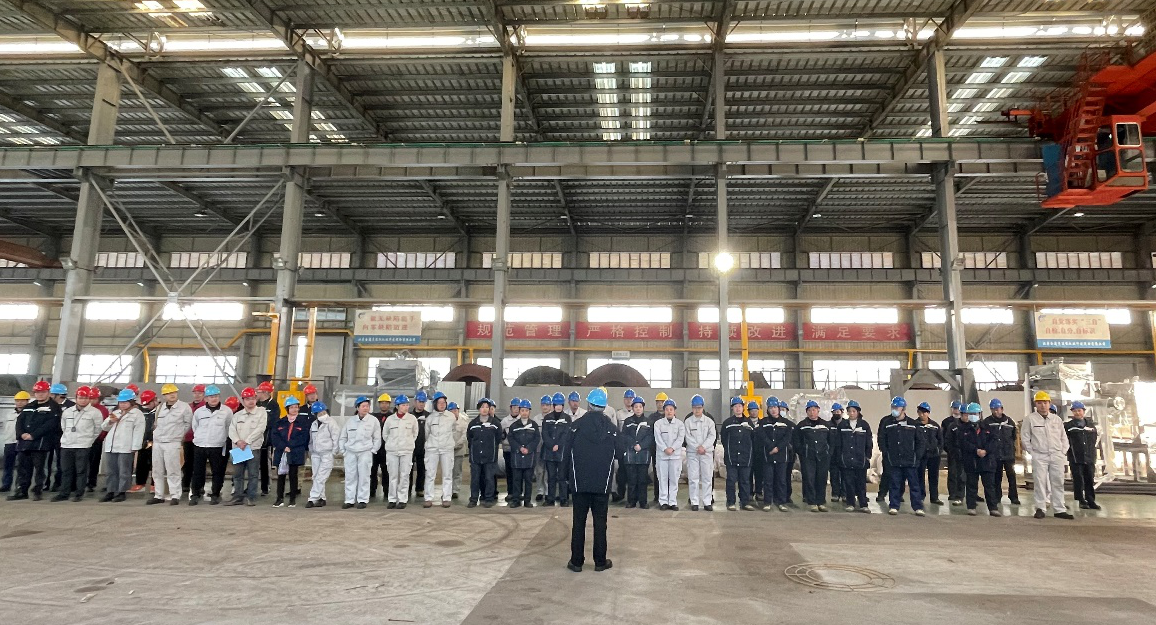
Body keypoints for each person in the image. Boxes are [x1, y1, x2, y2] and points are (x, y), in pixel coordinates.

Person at [566, 388, 619, 573]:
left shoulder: (575, 427)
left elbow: (566, 454)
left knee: (578, 522)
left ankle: (576, 562)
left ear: (588, 405)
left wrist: (567, 479)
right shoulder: (611, 429)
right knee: (600, 524)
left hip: (579, 484)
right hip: (602, 485)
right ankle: (600, 561)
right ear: (604, 407)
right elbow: (619, 453)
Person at [1022, 391, 1074, 520]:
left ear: (1049, 403)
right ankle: (1041, 508)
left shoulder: (1056, 419)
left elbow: (1063, 438)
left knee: (1058, 482)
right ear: (1036, 404)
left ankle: (1059, 509)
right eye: (1040, 403)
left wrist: (1062, 452)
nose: (1043, 405)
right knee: (1040, 482)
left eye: (1045, 402)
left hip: (1056, 455)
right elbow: (1025, 438)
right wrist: (1033, 452)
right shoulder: (1030, 419)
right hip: (1040, 456)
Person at [7, 381, 62, 501]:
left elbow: (51, 424)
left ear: (48, 392)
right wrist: (21, 434)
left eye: (43, 392)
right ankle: (22, 491)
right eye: (37, 392)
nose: (40, 394)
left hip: (41, 443)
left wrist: (33, 435)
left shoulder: (54, 407)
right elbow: (20, 421)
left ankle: (38, 491)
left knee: (40, 469)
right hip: (25, 443)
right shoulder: (29, 406)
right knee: (23, 468)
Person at [55, 386, 104, 502]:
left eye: (85, 398)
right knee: (66, 470)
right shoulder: (67, 412)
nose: (83, 400)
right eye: (80, 398)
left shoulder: (95, 413)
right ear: (76, 398)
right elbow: (63, 427)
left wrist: (89, 441)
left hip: (83, 446)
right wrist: (67, 438)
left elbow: (98, 429)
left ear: (89, 399)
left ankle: (79, 493)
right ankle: (64, 493)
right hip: (67, 445)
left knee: (81, 471)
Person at [881, 396, 926, 516]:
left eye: (897, 407)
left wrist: (917, 457)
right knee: (894, 484)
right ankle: (894, 505)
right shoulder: (887, 424)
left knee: (914, 485)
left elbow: (921, 442)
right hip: (894, 460)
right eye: (893, 407)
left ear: (903, 409)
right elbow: (882, 440)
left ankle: (917, 507)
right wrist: (887, 454)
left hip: (910, 461)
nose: (894, 409)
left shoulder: (913, 424)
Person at [149, 384, 192, 505]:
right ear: (164, 396)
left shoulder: (184, 407)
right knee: (157, 470)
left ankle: (175, 495)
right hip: (158, 442)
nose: (172, 395)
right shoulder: (160, 407)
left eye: (174, 392)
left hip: (173, 442)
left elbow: (188, 424)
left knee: (173, 469)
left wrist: (178, 435)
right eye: (168, 393)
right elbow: (156, 423)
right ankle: (158, 495)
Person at [189, 385, 232, 505]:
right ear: (206, 398)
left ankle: (215, 494)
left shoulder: (226, 411)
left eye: (216, 396)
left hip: (217, 445)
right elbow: (195, 426)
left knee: (218, 471)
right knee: (198, 471)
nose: (214, 399)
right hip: (200, 445)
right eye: (211, 396)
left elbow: (229, 427)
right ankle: (196, 494)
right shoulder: (199, 412)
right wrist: (200, 437)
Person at [100, 389, 145, 503]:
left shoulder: (137, 414)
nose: (122, 404)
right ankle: (111, 491)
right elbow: (104, 427)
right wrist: (111, 421)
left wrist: (135, 447)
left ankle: (121, 492)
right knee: (111, 471)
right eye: (121, 402)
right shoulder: (116, 412)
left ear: (132, 402)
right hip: (111, 446)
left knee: (124, 471)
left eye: (125, 402)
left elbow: (139, 431)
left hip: (126, 446)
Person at [225, 387, 267, 507]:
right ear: (243, 400)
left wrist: (247, 441)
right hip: (239, 448)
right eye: (248, 399)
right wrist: (238, 441)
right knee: (238, 475)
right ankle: (238, 497)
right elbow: (232, 430)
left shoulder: (261, 413)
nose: (251, 401)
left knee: (253, 474)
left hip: (252, 448)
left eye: (253, 398)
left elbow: (260, 429)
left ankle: (251, 497)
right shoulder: (238, 415)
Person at [341, 395, 383, 509]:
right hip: (350, 452)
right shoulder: (350, 421)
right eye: (363, 406)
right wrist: (343, 451)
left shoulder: (373, 421)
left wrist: (373, 450)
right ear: (357, 407)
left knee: (364, 476)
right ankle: (349, 500)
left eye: (367, 406)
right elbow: (343, 437)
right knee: (350, 476)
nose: (366, 408)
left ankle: (362, 499)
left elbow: (377, 438)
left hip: (365, 452)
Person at [958, 402, 1000, 516]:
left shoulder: (988, 427)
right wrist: (976, 450)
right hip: (971, 461)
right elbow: (963, 443)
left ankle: (993, 508)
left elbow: (994, 441)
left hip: (987, 461)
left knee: (990, 486)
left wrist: (986, 451)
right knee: (971, 486)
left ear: (980, 414)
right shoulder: (963, 429)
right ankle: (971, 507)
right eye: (971, 414)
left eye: (975, 413)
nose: (973, 416)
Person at [833, 399, 872, 512]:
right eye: (849, 411)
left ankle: (863, 504)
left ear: (858, 412)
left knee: (861, 483)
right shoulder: (842, 425)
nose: (851, 413)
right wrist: (840, 457)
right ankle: (851, 503)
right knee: (848, 482)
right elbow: (838, 443)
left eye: (854, 411)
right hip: (846, 459)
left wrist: (867, 456)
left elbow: (869, 442)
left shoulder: (864, 425)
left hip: (860, 460)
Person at [271, 395, 310, 508]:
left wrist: (290, 446)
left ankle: (292, 499)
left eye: (296, 407)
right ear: (287, 409)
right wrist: (284, 447)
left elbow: (304, 437)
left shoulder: (302, 422)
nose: (294, 409)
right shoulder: (280, 422)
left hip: (295, 452)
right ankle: (279, 498)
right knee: (281, 476)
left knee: (293, 475)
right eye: (292, 407)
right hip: (282, 452)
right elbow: (275, 436)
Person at [793, 400, 832, 513]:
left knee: (821, 479)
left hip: (823, 456)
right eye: (809, 410)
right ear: (806, 412)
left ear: (818, 410)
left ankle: (821, 502)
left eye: (814, 410)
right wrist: (802, 452)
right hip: (808, 457)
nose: (812, 412)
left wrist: (828, 453)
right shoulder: (802, 426)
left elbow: (831, 441)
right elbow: (796, 441)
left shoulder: (825, 425)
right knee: (809, 479)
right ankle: (812, 502)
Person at [757, 396, 793, 511]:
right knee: (768, 480)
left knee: (781, 480)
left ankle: (781, 502)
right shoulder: (763, 422)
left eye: (775, 407)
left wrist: (777, 448)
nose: (773, 410)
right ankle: (767, 502)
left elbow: (787, 438)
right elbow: (762, 436)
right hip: (768, 455)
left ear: (779, 408)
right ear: (768, 409)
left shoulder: (786, 423)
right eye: (771, 408)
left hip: (782, 456)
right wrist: (771, 447)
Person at [382, 395, 418, 509]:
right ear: (397, 406)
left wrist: (407, 443)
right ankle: (392, 499)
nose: (406, 407)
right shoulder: (390, 419)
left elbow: (415, 434)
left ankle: (402, 499)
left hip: (406, 451)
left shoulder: (412, 419)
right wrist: (391, 444)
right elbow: (385, 434)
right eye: (403, 405)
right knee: (393, 475)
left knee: (404, 475)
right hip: (392, 451)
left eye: (407, 405)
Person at [984, 398, 1020, 505]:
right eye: (993, 409)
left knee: (1011, 476)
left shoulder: (1010, 422)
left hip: (1008, 454)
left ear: (1002, 409)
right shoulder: (987, 422)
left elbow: (1014, 436)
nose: (996, 411)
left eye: (997, 409)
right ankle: (997, 496)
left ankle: (1013, 497)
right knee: (997, 476)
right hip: (995, 454)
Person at [721, 396, 755, 511]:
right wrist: (729, 453)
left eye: (740, 406)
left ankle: (745, 502)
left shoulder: (749, 423)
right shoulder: (727, 423)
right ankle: (731, 502)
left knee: (745, 481)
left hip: (746, 458)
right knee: (731, 480)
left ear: (743, 408)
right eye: (735, 406)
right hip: (732, 458)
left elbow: (753, 439)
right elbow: (724, 439)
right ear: (732, 408)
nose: (738, 408)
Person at [423, 392, 456, 508]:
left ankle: (446, 498)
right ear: (435, 404)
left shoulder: (451, 417)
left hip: (447, 449)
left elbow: (454, 431)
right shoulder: (430, 418)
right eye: (439, 403)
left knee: (447, 474)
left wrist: (449, 442)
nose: (442, 405)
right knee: (430, 474)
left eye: (444, 402)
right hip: (432, 449)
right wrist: (431, 444)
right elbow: (427, 434)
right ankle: (428, 498)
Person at [467, 398, 502, 508]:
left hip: (490, 456)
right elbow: (470, 438)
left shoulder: (495, 423)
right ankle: (473, 499)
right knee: (475, 479)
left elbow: (498, 437)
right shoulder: (473, 423)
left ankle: (489, 498)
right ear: (479, 409)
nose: (485, 409)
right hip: (476, 457)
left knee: (489, 478)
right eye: (482, 407)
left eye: (487, 407)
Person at [683, 394, 716, 512]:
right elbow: (687, 437)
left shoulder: (709, 421)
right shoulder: (688, 422)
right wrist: (698, 447)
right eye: (695, 408)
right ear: (692, 408)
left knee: (707, 477)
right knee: (693, 478)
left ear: (703, 407)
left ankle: (707, 502)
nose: (697, 410)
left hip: (706, 453)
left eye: (699, 407)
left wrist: (704, 447)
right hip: (693, 453)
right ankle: (694, 502)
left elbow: (712, 436)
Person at [1064, 401, 1099, 510]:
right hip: (1075, 457)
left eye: (1079, 410)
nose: (1077, 413)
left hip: (1089, 457)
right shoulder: (1068, 426)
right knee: (1078, 479)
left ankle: (1091, 500)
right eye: (1075, 411)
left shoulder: (1090, 425)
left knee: (1089, 479)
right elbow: (1064, 440)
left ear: (1083, 411)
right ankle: (1081, 500)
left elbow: (1094, 439)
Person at [620, 395, 652, 509]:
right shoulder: (628, 421)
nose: (638, 409)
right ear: (632, 408)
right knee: (631, 479)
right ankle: (631, 501)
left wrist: (641, 446)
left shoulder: (648, 422)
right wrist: (634, 444)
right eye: (636, 407)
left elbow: (650, 437)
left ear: (643, 408)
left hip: (644, 454)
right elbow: (624, 435)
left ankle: (643, 502)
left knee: (642, 480)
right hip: (630, 454)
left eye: (640, 406)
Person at [507, 398, 540, 508]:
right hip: (517, 457)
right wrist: (519, 448)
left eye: (526, 410)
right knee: (516, 480)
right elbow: (511, 439)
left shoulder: (534, 425)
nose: (524, 413)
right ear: (519, 411)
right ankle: (516, 500)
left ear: (529, 412)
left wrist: (529, 449)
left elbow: (536, 439)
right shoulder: (514, 426)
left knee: (528, 480)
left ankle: (527, 500)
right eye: (522, 410)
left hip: (529, 458)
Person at [654, 398, 686, 511]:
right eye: (667, 409)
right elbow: (658, 438)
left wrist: (672, 448)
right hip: (662, 456)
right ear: (664, 411)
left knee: (674, 479)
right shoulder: (658, 424)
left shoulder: (680, 424)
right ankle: (663, 501)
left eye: (671, 409)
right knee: (662, 479)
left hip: (675, 456)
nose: (669, 411)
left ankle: (672, 501)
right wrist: (665, 449)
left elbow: (680, 438)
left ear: (674, 411)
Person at [307, 402, 339, 508]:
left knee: (321, 477)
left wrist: (334, 452)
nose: (322, 415)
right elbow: (311, 440)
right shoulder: (314, 424)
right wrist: (311, 451)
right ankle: (322, 498)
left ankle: (312, 498)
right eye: (320, 414)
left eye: (324, 412)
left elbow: (336, 438)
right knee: (315, 476)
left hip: (327, 454)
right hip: (315, 454)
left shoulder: (331, 423)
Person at [541, 394, 572, 506]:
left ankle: (564, 499)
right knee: (551, 477)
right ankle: (550, 499)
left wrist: (558, 445)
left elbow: (567, 434)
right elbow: (544, 433)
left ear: (563, 406)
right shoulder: (547, 418)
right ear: (553, 405)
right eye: (556, 405)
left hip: (562, 452)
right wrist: (551, 445)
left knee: (562, 477)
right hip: (549, 452)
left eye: (560, 405)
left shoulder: (567, 418)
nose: (558, 407)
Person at [1, 390, 30, 493]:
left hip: (23, 443)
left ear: (27, 401)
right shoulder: (9, 414)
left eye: (22, 400)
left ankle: (19, 486)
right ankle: (6, 485)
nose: (19, 403)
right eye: (17, 400)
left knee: (22, 466)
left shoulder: (29, 414)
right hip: (10, 442)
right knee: (8, 465)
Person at [255, 381, 280, 497]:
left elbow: (272, 422)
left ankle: (265, 486)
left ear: (265, 392)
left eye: (258, 392)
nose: (256, 394)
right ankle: (250, 486)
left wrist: (259, 425)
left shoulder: (273, 405)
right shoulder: (256, 404)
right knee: (251, 464)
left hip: (266, 440)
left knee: (264, 463)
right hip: (253, 439)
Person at [916, 402, 944, 506]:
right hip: (920, 455)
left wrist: (938, 450)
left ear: (928, 413)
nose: (922, 414)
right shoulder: (914, 425)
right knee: (920, 476)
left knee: (934, 476)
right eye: (920, 412)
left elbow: (940, 440)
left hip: (934, 456)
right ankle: (920, 496)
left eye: (924, 412)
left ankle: (934, 497)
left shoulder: (935, 426)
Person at [46, 382, 71, 492]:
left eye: (52, 394)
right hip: (48, 436)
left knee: (62, 462)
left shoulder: (71, 406)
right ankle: (45, 483)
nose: (50, 396)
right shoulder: (47, 405)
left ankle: (58, 483)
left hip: (63, 437)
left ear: (59, 395)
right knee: (47, 462)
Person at [181, 383, 206, 495]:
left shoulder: (206, 407)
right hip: (188, 439)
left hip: (201, 440)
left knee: (200, 464)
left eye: (199, 393)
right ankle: (185, 484)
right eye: (195, 393)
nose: (197, 395)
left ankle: (199, 486)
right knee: (187, 463)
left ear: (204, 394)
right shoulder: (188, 407)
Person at [941, 400, 966, 506]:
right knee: (953, 473)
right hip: (953, 453)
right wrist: (949, 450)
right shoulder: (947, 422)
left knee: (964, 474)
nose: (956, 410)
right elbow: (944, 438)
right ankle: (952, 493)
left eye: (957, 408)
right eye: (954, 408)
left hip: (965, 453)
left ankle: (963, 493)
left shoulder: (968, 423)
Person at [613, 389, 635, 502]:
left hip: (633, 446)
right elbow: (616, 429)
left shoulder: (636, 413)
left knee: (632, 471)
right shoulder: (619, 414)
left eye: (631, 398)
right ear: (624, 400)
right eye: (627, 398)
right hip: (622, 446)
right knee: (621, 471)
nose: (629, 401)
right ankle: (620, 493)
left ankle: (632, 496)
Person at [370, 393, 393, 501]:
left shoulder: (392, 417)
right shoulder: (373, 417)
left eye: (386, 403)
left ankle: (387, 491)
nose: (384, 405)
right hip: (375, 448)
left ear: (389, 404)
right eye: (382, 403)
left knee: (386, 471)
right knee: (372, 470)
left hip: (386, 448)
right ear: (379, 404)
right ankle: (371, 490)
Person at [410, 390, 430, 499]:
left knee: (422, 469)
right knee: (408, 469)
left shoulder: (428, 416)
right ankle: (408, 489)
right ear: (415, 402)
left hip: (423, 446)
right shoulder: (409, 415)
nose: (421, 404)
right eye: (420, 402)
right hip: (410, 446)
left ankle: (419, 489)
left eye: (423, 402)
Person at [501, 397, 519, 502]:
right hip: (508, 450)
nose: (516, 409)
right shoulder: (505, 421)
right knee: (509, 472)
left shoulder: (522, 420)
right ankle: (510, 492)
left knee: (519, 473)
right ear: (510, 408)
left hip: (519, 451)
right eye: (514, 407)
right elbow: (500, 434)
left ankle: (518, 492)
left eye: (518, 407)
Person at [827, 403, 845, 503]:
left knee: (845, 476)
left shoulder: (846, 424)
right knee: (834, 475)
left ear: (842, 412)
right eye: (834, 412)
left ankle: (844, 494)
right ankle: (835, 494)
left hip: (844, 454)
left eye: (838, 412)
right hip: (832, 454)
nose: (836, 413)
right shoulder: (828, 425)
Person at [450, 401, 468, 501]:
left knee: (457, 471)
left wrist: (456, 445)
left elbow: (464, 436)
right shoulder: (446, 421)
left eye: (455, 410)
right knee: (448, 471)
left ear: (458, 410)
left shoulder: (464, 421)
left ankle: (455, 490)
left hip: (459, 450)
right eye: (451, 411)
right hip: (448, 450)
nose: (454, 412)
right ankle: (447, 490)